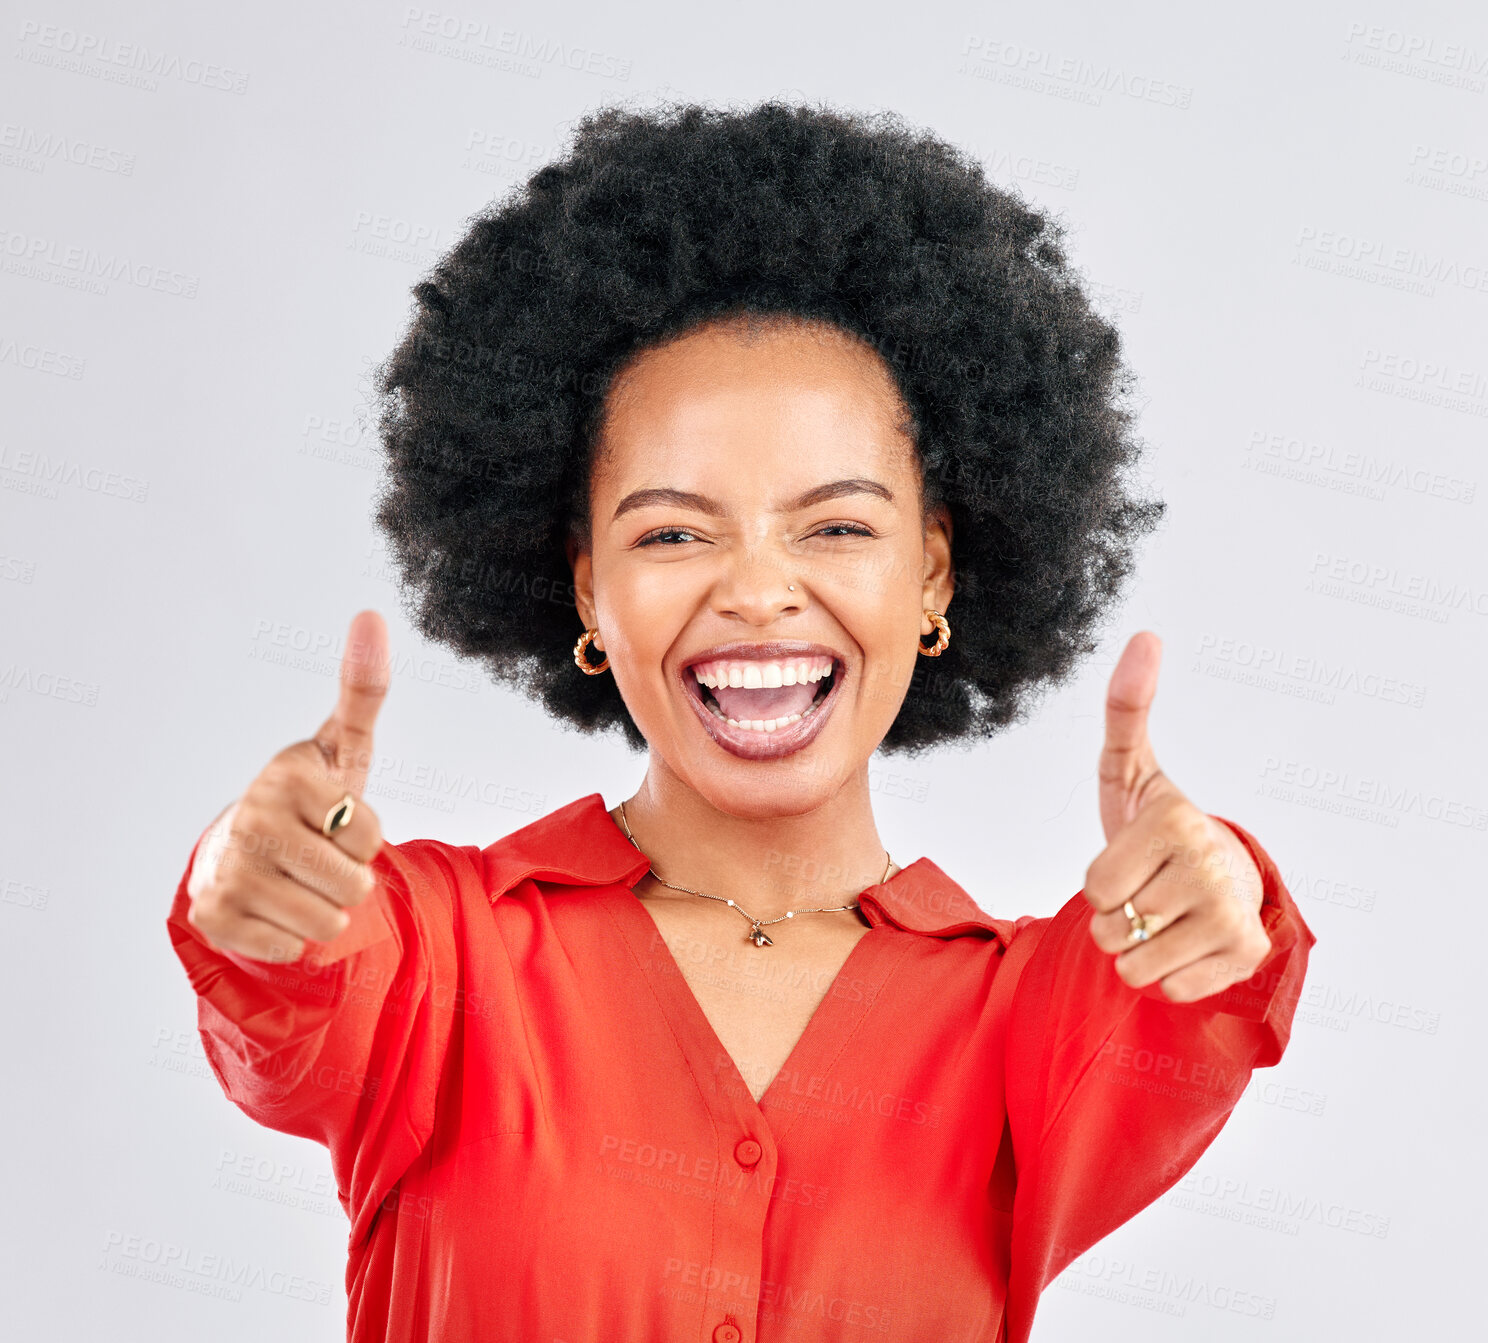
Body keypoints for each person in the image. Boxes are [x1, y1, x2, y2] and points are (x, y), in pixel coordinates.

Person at [166, 100, 1315, 1343]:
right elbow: (295, 993)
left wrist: (1222, 902)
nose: (758, 591)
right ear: (585, 586)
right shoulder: (438, 955)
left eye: (836, 526)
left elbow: (1184, 1000)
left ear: (932, 574)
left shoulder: (1026, 1015)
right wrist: (257, 894)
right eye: (672, 531)